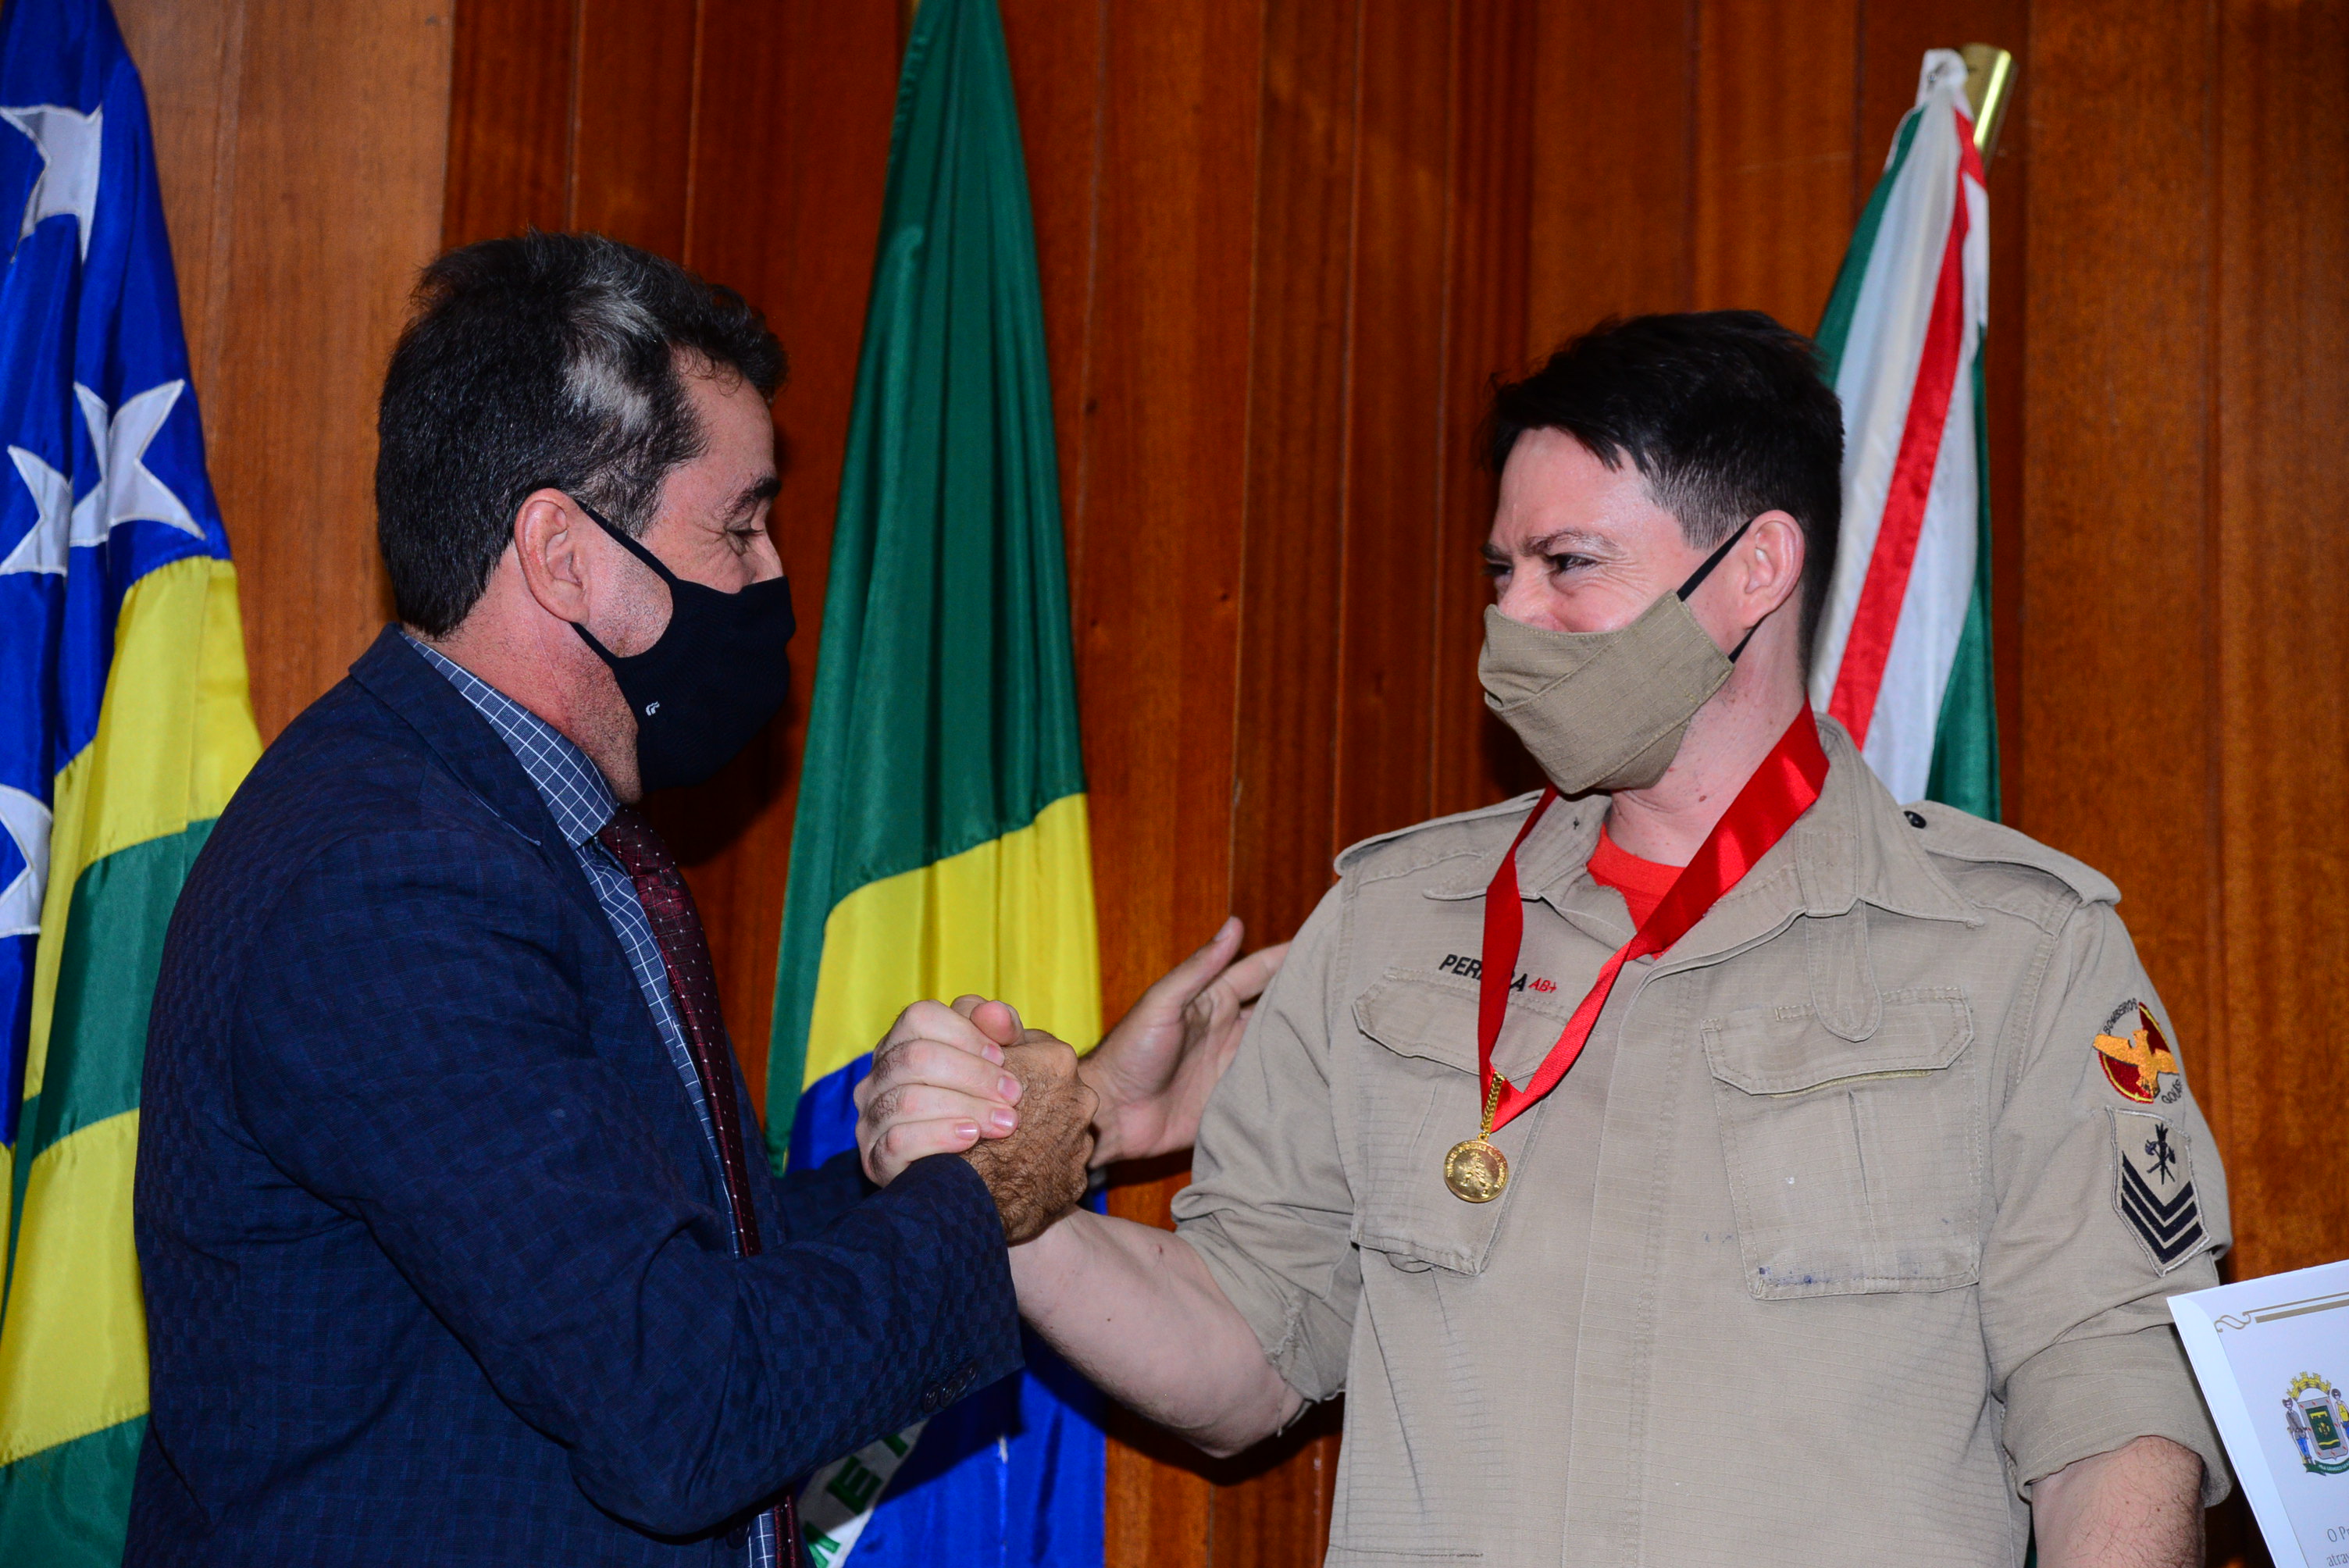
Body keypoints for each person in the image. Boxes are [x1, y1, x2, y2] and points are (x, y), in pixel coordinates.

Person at [862, 313, 2233, 1566]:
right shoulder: (1389, 924)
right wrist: (1010, 1207)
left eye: (1569, 566)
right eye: (1501, 569)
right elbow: (1250, 1348)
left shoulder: (2019, 951)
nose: (1511, 619)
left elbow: (2111, 1407)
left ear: (1755, 569)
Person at [130, 232, 1278, 1567]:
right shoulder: (392, 879)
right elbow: (679, 1407)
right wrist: (984, 1195)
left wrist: (1071, 1114)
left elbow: (682, 1271)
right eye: (737, 527)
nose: (774, 577)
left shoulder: (509, 827)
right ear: (563, 554)